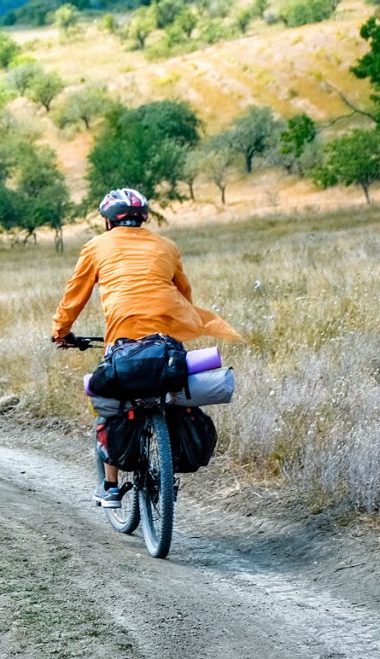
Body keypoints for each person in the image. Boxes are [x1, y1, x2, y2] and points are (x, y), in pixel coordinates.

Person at [51, 188, 242, 508]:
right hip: (167, 345)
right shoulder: (167, 246)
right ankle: (169, 451)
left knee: (109, 401)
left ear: (108, 221)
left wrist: (61, 333)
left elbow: (74, 297)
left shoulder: (96, 247)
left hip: (122, 344)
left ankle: (110, 487)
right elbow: (184, 294)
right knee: (173, 388)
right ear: (145, 218)